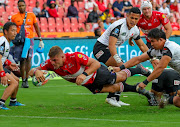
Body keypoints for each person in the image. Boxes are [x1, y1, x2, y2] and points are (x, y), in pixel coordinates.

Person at [28, 46, 155, 106]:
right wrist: (36, 71)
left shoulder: (75, 56)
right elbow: (30, 71)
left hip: (96, 74)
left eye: (55, 60)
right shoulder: (50, 64)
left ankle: (137, 69)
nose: (53, 63)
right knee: (113, 88)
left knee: (120, 77)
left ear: (63, 56)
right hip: (87, 83)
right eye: (52, 61)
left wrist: (84, 74)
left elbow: (95, 63)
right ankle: (139, 89)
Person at [93, 7, 150, 107]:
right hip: (100, 49)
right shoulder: (118, 26)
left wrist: (153, 57)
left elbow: (141, 45)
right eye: (131, 18)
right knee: (122, 67)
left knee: (122, 70)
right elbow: (111, 45)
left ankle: (115, 97)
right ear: (127, 16)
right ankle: (111, 97)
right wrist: (119, 61)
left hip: (109, 49)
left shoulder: (135, 29)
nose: (133, 21)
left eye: (136, 19)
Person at [117, 28, 180, 108]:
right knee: (176, 101)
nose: (151, 44)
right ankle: (167, 99)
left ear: (160, 40)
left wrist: (145, 82)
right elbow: (138, 59)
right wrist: (120, 68)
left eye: (153, 41)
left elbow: (160, 68)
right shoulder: (156, 50)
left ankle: (167, 98)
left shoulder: (169, 48)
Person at [11, 0, 44, 88]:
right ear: (17, 7)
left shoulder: (31, 15)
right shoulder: (14, 17)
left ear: (25, 6)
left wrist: (40, 39)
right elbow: (12, 29)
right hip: (20, 41)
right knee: (22, 60)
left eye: (22, 5)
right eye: (19, 6)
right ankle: (23, 80)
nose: (21, 7)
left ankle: (27, 78)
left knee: (29, 59)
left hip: (30, 39)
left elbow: (36, 26)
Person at [0, 22, 25, 110]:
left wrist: (9, 63)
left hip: (1, 66)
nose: (15, 33)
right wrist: (2, 74)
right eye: (12, 30)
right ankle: (1, 103)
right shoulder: (3, 42)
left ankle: (13, 101)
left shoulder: (6, 42)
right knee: (13, 83)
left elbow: (2, 58)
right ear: (6, 31)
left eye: (15, 31)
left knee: (17, 80)